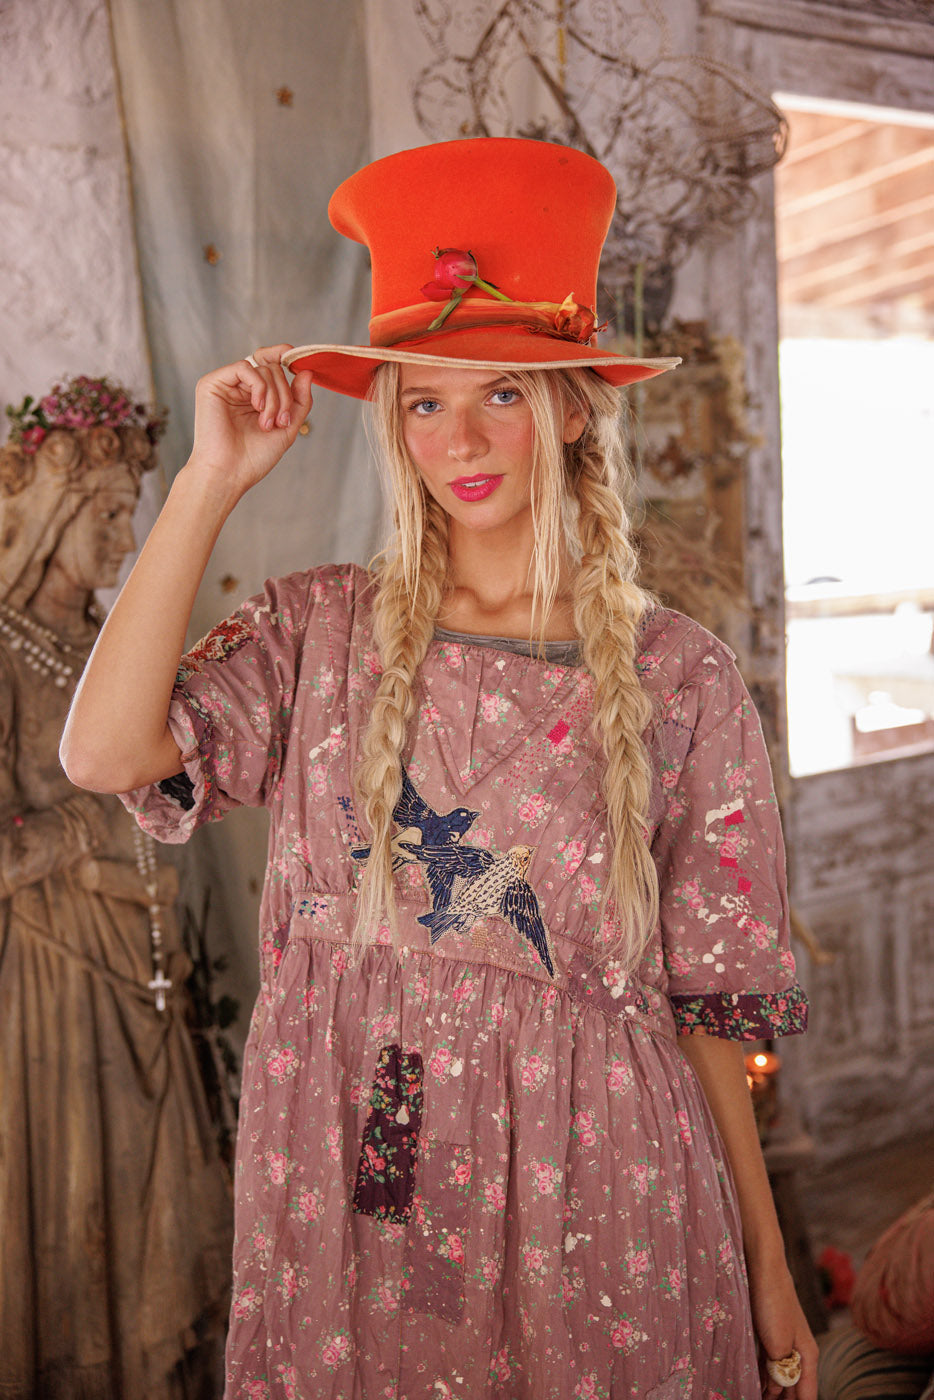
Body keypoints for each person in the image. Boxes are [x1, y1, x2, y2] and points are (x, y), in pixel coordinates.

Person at [61, 139, 816, 1399]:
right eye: (423, 401)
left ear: (570, 405)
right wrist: (207, 480)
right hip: (354, 1182)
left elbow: (705, 1014)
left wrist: (769, 1265)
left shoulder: (678, 676)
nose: (458, 436)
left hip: (603, 1198)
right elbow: (102, 752)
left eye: (501, 393)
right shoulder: (318, 631)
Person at [0, 377, 233, 1399]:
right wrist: (93, 820)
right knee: (74, 1200)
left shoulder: (108, 648)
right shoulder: (4, 650)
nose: (122, 538)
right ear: (50, 512)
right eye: (102, 514)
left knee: (159, 1206)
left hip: (147, 965)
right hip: (54, 979)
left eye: (129, 512)